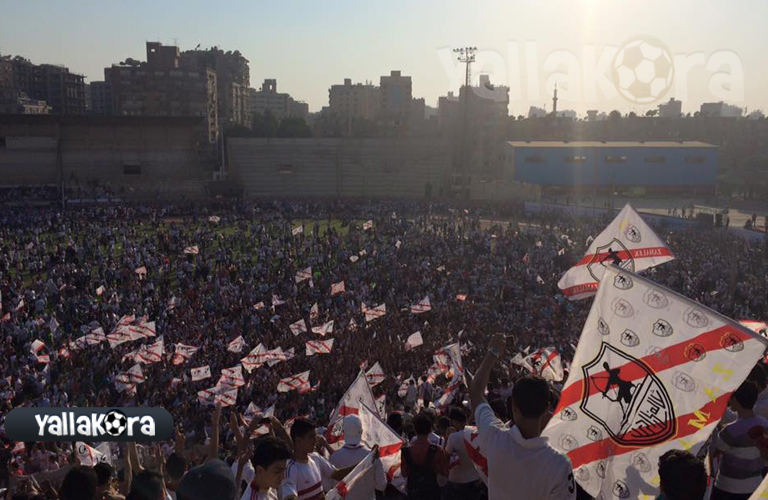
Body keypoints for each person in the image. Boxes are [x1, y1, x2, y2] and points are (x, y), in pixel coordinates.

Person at [469, 333, 575, 500]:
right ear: (547, 408)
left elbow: (476, 392)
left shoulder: (495, 438)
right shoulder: (560, 464)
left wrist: (493, 353)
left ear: (513, 407)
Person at [711, 381, 768, 500]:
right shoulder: (764, 424)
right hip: (755, 486)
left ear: (736, 400)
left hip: (727, 487)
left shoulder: (731, 430)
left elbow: (714, 452)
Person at [280, 419, 353, 500]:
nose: (315, 440)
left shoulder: (315, 458)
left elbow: (338, 474)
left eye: (315, 436)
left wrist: (364, 463)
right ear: (298, 441)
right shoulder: (291, 469)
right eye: (311, 437)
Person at [329, 415, 386, 500]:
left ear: (343, 432)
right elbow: (381, 485)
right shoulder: (373, 456)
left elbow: (330, 487)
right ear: (362, 431)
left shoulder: (334, 457)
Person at [401, 412, 448, 500]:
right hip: (432, 492)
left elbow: (404, 473)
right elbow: (444, 473)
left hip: (413, 492)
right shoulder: (438, 450)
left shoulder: (406, 451)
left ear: (414, 429)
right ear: (430, 429)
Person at [443, 407, 485, 500]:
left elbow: (445, 456)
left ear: (454, 421)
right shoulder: (477, 432)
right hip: (476, 478)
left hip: (457, 480)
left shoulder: (454, 437)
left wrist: (447, 438)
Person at [239, 435, 293, 500]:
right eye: (277, 472)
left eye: (284, 470)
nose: (282, 476)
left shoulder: (270, 486)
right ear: (260, 470)